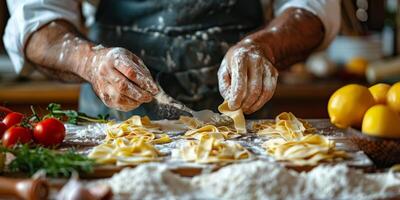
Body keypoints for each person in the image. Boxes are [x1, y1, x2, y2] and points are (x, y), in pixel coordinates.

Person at [3, 0, 340, 120]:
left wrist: (264, 46)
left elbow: (313, 6)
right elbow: (37, 17)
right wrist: (89, 62)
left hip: (244, 135)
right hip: (115, 133)